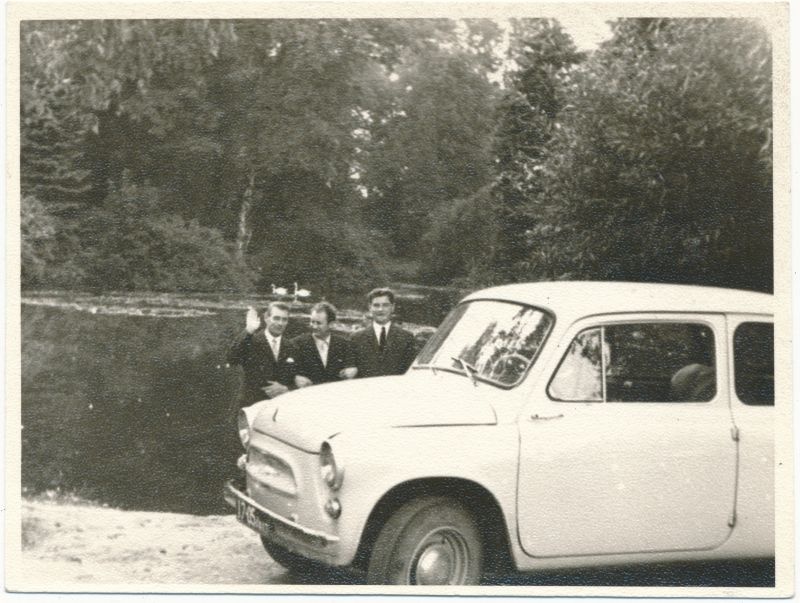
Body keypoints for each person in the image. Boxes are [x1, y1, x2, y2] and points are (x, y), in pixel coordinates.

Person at [227, 302, 296, 408]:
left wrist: (286, 389)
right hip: (251, 406)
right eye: (276, 318)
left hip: (280, 408)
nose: (280, 323)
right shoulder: (250, 341)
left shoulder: (292, 346)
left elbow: (302, 380)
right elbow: (231, 359)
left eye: (284, 319)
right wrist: (249, 330)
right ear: (266, 318)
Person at [351, 288, 417, 378]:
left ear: (392, 307)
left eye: (385, 305)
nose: (380, 309)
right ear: (370, 307)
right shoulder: (356, 338)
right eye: (376, 305)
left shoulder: (407, 337)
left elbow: (410, 372)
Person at [291, 302, 358, 388]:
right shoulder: (296, 343)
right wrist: (294, 377)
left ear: (331, 324)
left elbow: (352, 366)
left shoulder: (344, 345)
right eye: (312, 322)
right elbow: (287, 370)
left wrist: (353, 370)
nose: (314, 326)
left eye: (318, 323)